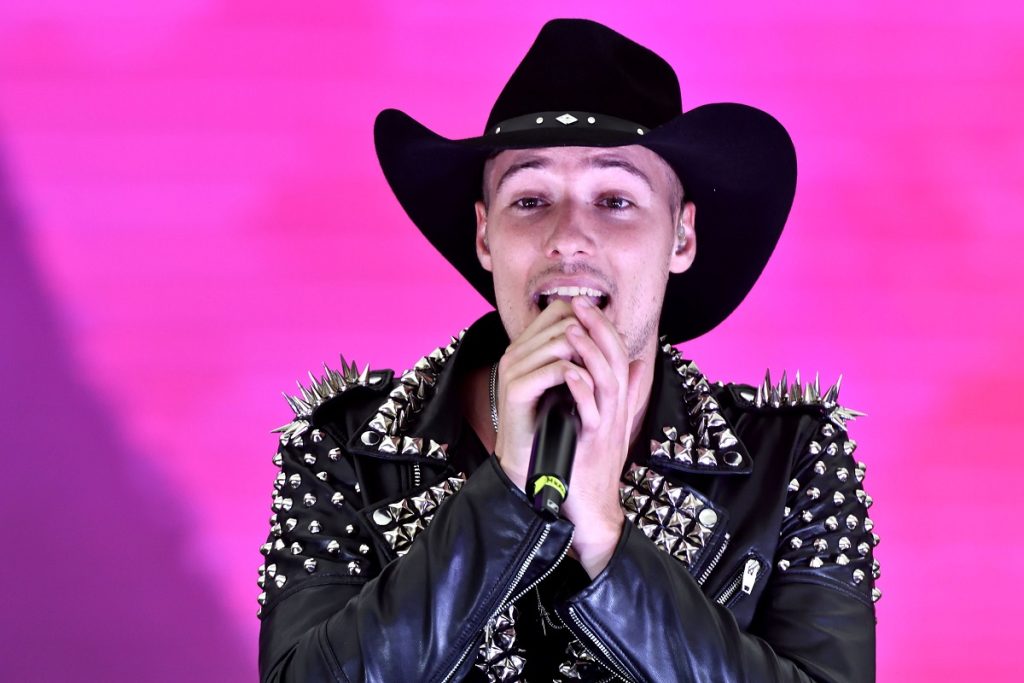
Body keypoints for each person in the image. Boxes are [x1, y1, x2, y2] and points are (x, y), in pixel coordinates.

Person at [256, 18, 879, 682]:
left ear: (681, 236)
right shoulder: (344, 447)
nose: (568, 237)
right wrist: (503, 496)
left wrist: (607, 539)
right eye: (530, 200)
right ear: (485, 235)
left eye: (615, 200)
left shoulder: (790, 460)